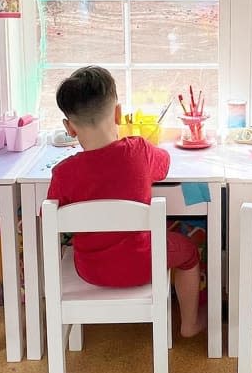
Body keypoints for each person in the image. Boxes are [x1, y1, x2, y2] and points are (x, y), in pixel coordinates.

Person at [46, 65, 205, 337]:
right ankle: (189, 324)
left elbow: (48, 216)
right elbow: (164, 165)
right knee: (188, 251)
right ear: (118, 113)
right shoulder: (139, 150)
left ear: (69, 128)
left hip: (90, 270)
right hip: (143, 265)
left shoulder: (63, 173)